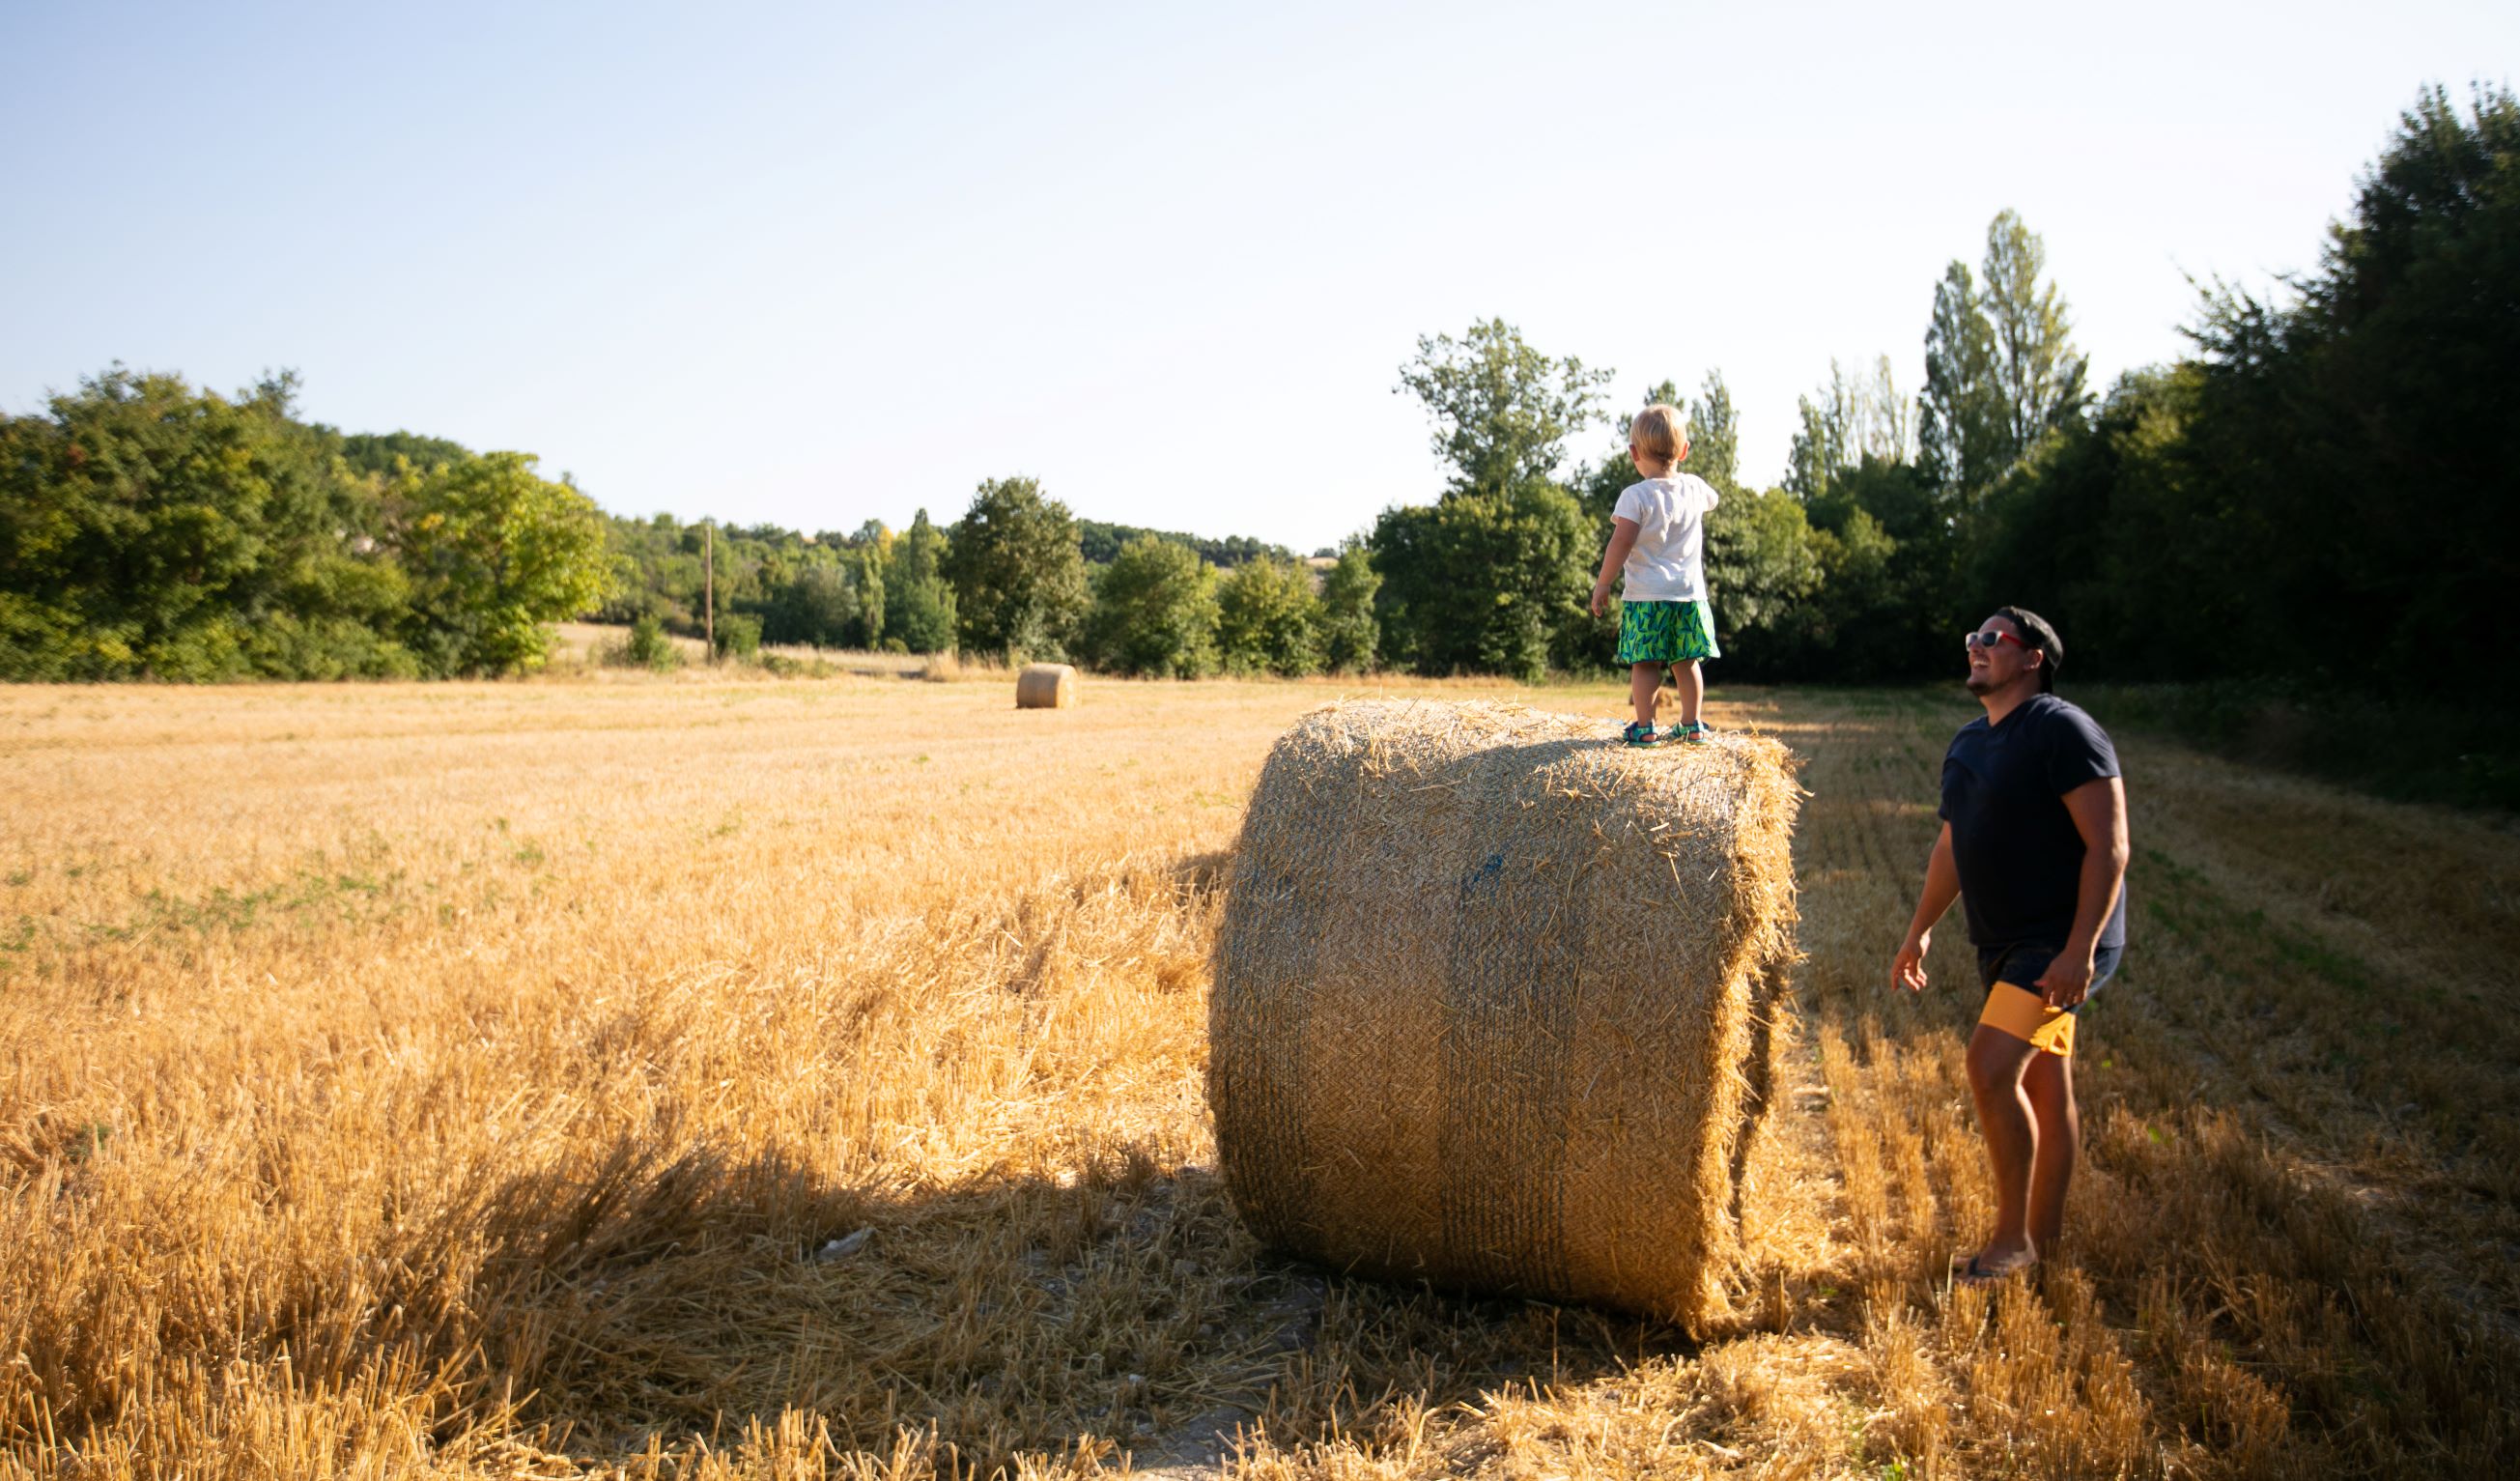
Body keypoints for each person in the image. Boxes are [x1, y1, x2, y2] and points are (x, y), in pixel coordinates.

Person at [1889, 607, 2129, 1285]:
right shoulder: (1967, 742)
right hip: (2001, 940)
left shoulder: (2063, 729)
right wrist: (1918, 931)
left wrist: (2079, 949)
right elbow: (1950, 847)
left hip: (2056, 941)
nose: (1975, 647)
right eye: (1972, 638)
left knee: (1990, 1066)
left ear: (2033, 659)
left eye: (1992, 639)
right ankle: (2044, 1246)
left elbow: (2108, 846)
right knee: (2046, 1091)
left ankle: (2011, 1239)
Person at [1588, 405, 1721, 747]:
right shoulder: (1694, 488)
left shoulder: (1635, 496)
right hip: (1689, 595)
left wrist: (1604, 583)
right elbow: (1713, 500)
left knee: (1645, 663)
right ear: (1685, 450)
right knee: (1686, 661)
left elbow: (1621, 542)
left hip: (1647, 596)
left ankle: (1645, 726)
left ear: (1633, 453)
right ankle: (1691, 724)